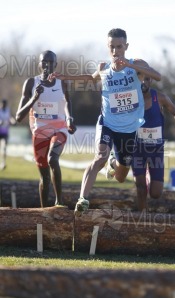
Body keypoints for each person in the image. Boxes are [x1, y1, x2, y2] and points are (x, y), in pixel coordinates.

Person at [51, 28, 161, 216]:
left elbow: (157, 76)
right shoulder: (103, 68)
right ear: (107, 47)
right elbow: (90, 79)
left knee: (120, 176)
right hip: (107, 123)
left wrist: (130, 65)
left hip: (129, 129)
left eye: (119, 47)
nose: (116, 51)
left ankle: (113, 163)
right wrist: (66, 77)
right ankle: (83, 199)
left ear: (126, 46)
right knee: (99, 157)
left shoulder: (136, 64)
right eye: (112, 47)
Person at [16, 50, 77, 207]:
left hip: (59, 129)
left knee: (53, 158)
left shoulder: (61, 82)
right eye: (44, 61)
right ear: (39, 64)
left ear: (55, 65)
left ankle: (59, 202)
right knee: (45, 178)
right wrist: (34, 99)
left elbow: (67, 102)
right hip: (40, 131)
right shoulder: (31, 83)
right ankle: (44, 212)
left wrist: (69, 119)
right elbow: (18, 117)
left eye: (50, 62)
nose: (47, 65)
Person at [131, 75, 175, 211]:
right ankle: (142, 219)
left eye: (146, 79)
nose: (143, 82)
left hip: (155, 151)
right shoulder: (130, 99)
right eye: (140, 79)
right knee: (140, 187)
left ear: (150, 81)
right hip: (136, 149)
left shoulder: (160, 98)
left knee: (156, 193)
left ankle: (148, 176)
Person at [0, 99, 16, 170]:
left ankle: (3, 162)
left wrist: (13, 121)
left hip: (5, 131)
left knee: (4, 147)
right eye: (3, 104)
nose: (4, 105)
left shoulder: (7, 110)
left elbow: (10, 118)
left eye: (5, 104)